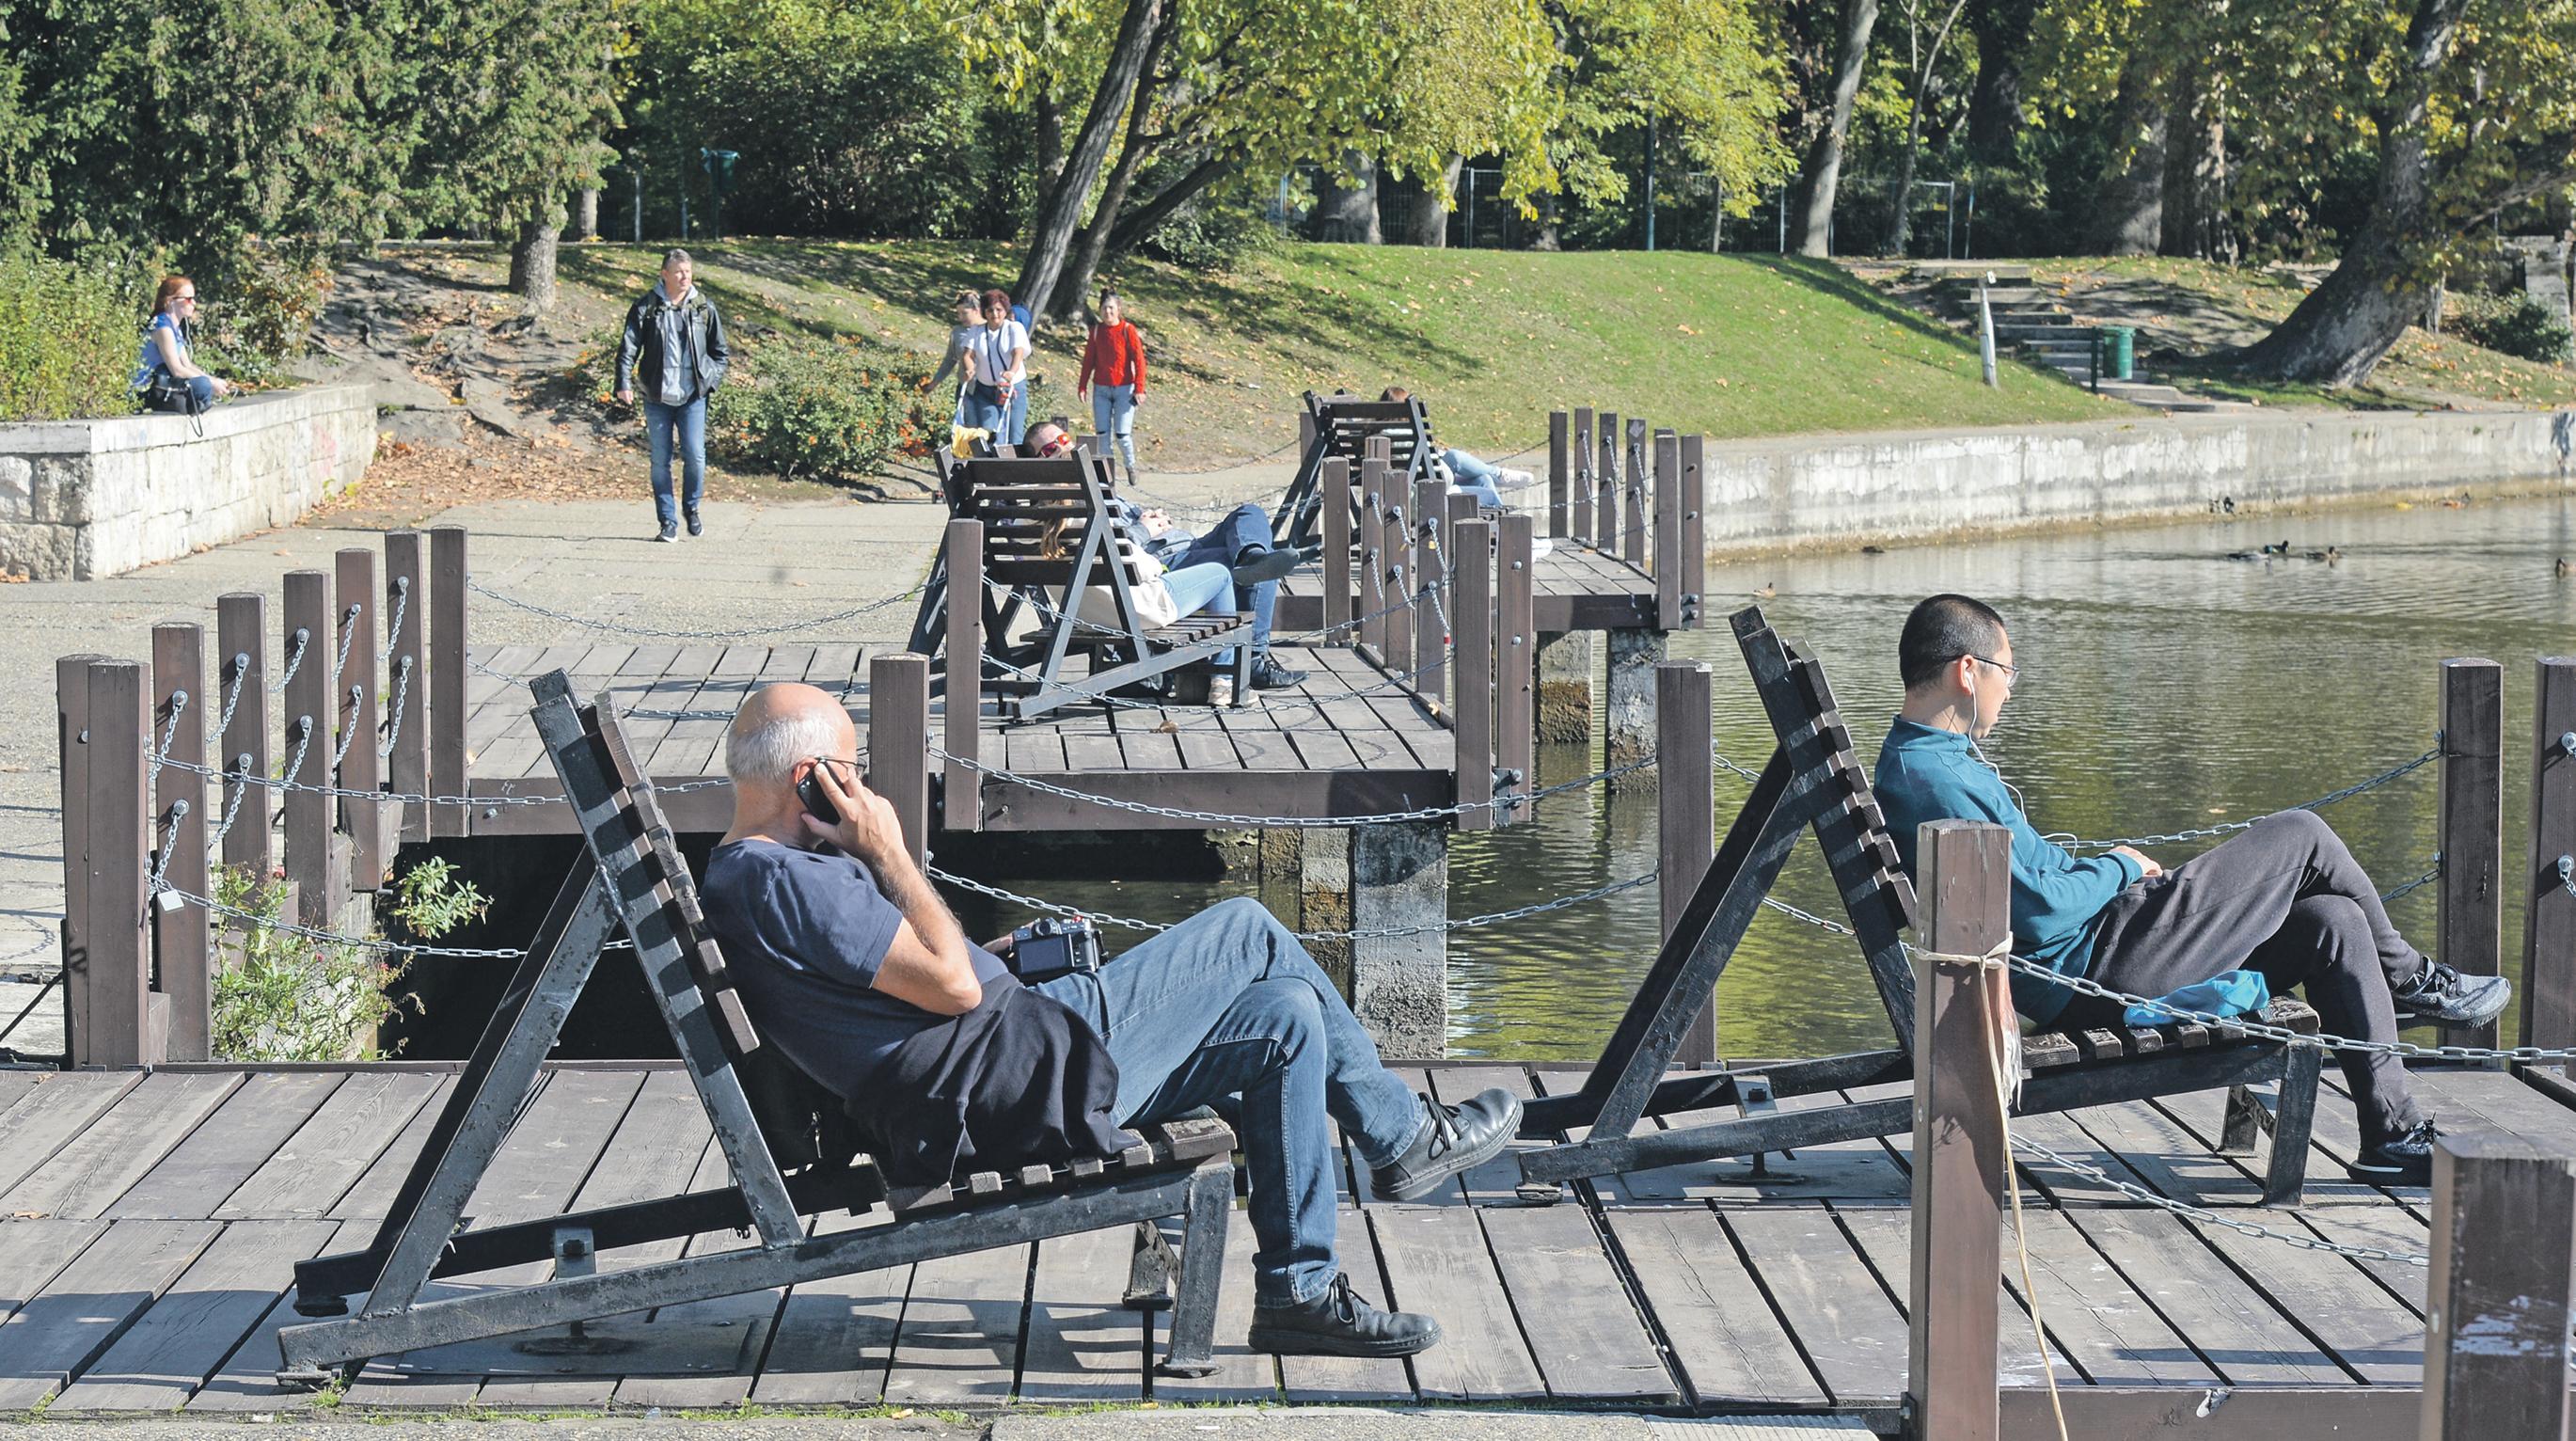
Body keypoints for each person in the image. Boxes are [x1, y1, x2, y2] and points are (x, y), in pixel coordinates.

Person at [700, 683, 1521, 1355]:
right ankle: (1401, 1136)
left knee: (1285, 1016)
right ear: (809, 777)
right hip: (1012, 1083)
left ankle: (1297, 1294)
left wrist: (994, 956)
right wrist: (889, 853)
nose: (863, 790)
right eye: (851, 770)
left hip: (1007, 1063)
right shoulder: (789, 882)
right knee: (1247, 929)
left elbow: (914, 982)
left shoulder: (764, 873)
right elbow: (952, 990)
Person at [1870, 594, 2512, 1185]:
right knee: (2302, 835)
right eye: (2006, 671)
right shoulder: (1933, 779)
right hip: (2098, 968)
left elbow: (2034, 884)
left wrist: (2112, 875)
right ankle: (2410, 978)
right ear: (1967, 671)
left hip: (2108, 945)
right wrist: (2119, 868)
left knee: (2331, 922)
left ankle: (2391, 1137)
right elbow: (2038, 914)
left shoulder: (1934, 762)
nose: (2009, 688)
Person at [1024, 422, 1307, 690]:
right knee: (1252, 565)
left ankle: (1250, 555)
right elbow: (1110, 551)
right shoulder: (1069, 508)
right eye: (1048, 449)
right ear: (1035, 463)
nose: (1060, 447)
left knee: (1249, 514)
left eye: (1062, 439)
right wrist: (1144, 529)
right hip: (1158, 563)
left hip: (1180, 546)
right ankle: (1253, 658)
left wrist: (1150, 518)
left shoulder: (1085, 490)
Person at [614, 249, 732, 543]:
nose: (684, 277)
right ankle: (667, 522)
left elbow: (720, 352)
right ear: (664, 274)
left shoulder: (703, 307)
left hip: (693, 397)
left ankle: (691, 508)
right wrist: (623, 382)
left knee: (695, 456)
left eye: (688, 271)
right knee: (660, 461)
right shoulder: (646, 307)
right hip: (657, 397)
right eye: (678, 272)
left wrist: (710, 380)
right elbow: (629, 347)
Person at [1378, 388, 1530, 509]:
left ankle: (1497, 476)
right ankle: (1499, 478)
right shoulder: (1409, 434)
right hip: (1427, 488)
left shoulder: (1377, 436)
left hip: (1419, 482)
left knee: (1483, 479)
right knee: (1456, 459)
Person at [1077, 293, 1146, 485]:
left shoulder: (1127, 330)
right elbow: (1089, 360)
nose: (1107, 312)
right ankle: (1108, 477)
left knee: (1122, 434)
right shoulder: (1096, 332)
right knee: (1102, 435)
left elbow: (1139, 360)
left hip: (1124, 389)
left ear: (1118, 310)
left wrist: (1139, 388)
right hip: (1101, 389)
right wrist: (1082, 386)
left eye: (1111, 308)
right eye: (1104, 308)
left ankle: (1130, 465)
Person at [134, 277, 231, 413]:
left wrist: (212, 380)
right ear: (170, 301)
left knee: (203, 384)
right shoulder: (163, 328)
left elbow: (187, 365)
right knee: (202, 386)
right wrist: (210, 383)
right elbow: (177, 370)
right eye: (188, 299)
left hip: (162, 384)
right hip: (146, 390)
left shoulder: (174, 327)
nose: (194, 303)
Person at [961, 289, 1030, 446]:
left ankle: (1015, 460)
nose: (995, 314)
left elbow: (1018, 352)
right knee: (989, 432)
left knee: (1014, 435)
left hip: (1012, 388)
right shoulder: (977, 331)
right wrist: (969, 369)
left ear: (1005, 311)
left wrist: (1011, 372)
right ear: (984, 312)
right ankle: (991, 459)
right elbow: (968, 355)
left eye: (999, 310)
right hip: (985, 390)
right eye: (990, 310)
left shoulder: (1014, 328)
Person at [926, 291, 986, 426]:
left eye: (964, 313)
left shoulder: (990, 331)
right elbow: (950, 360)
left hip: (986, 391)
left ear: (976, 310)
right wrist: (935, 382)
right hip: (965, 389)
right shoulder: (957, 332)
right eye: (958, 313)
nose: (960, 317)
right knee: (966, 430)